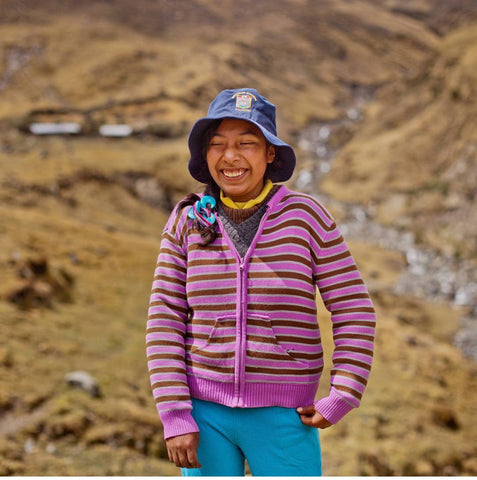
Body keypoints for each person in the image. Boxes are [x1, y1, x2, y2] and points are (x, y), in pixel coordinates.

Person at [146, 88, 376, 476]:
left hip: (286, 418)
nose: (230, 157)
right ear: (204, 154)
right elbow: (165, 319)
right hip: (204, 419)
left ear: (270, 153)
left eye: (246, 144)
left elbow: (353, 308)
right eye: (217, 144)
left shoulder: (307, 218)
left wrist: (343, 394)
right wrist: (175, 416)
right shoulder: (186, 220)